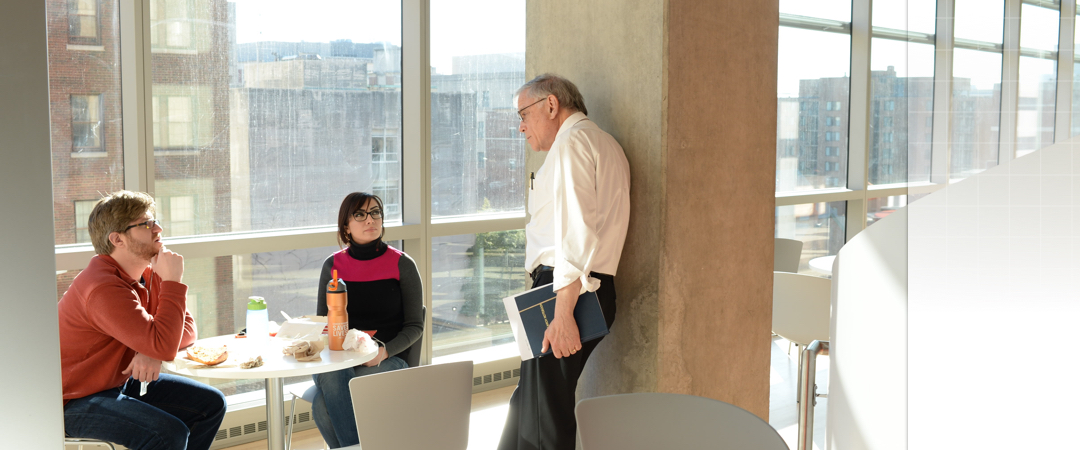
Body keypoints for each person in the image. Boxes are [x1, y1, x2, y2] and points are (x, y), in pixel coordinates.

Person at [498, 74, 631, 450]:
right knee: (530, 403)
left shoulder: (573, 143)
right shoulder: (601, 143)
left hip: (567, 292)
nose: (521, 126)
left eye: (524, 114)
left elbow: (576, 233)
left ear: (551, 106)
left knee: (545, 417)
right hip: (578, 289)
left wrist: (562, 313)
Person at [59, 190, 226, 450]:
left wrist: (149, 349)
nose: (158, 228)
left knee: (211, 404)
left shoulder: (149, 272)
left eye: (154, 221)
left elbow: (187, 330)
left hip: (114, 382)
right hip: (73, 399)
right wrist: (172, 283)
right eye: (146, 224)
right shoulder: (103, 287)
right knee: (167, 433)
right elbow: (165, 343)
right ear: (117, 239)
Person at [310, 192, 424, 448]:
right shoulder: (333, 265)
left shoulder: (401, 264)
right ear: (346, 227)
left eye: (375, 213)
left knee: (321, 404)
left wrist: (385, 352)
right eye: (360, 214)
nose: (370, 219)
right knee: (333, 376)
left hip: (385, 358)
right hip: (339, 360)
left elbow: (416, 325)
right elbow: (322, 323)